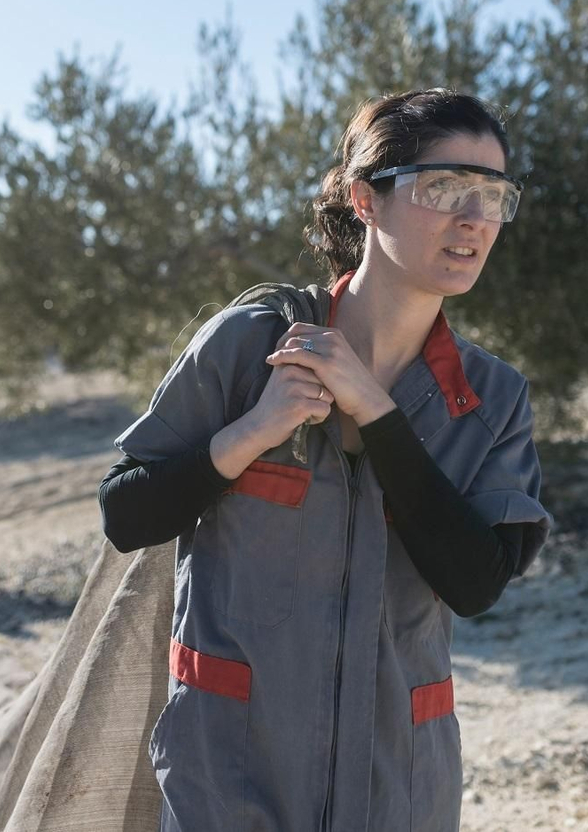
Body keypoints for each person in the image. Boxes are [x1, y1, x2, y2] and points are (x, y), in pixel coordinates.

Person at [99, 89, 553, 832]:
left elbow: (475, 583)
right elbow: (125, 513)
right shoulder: (248, 346)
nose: (473, 219)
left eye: (494, 196)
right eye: (443, 188)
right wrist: (250, 432)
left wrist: (376, 411)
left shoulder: (491, 398)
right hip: (230, 771)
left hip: (398, 779)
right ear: (365, 199)